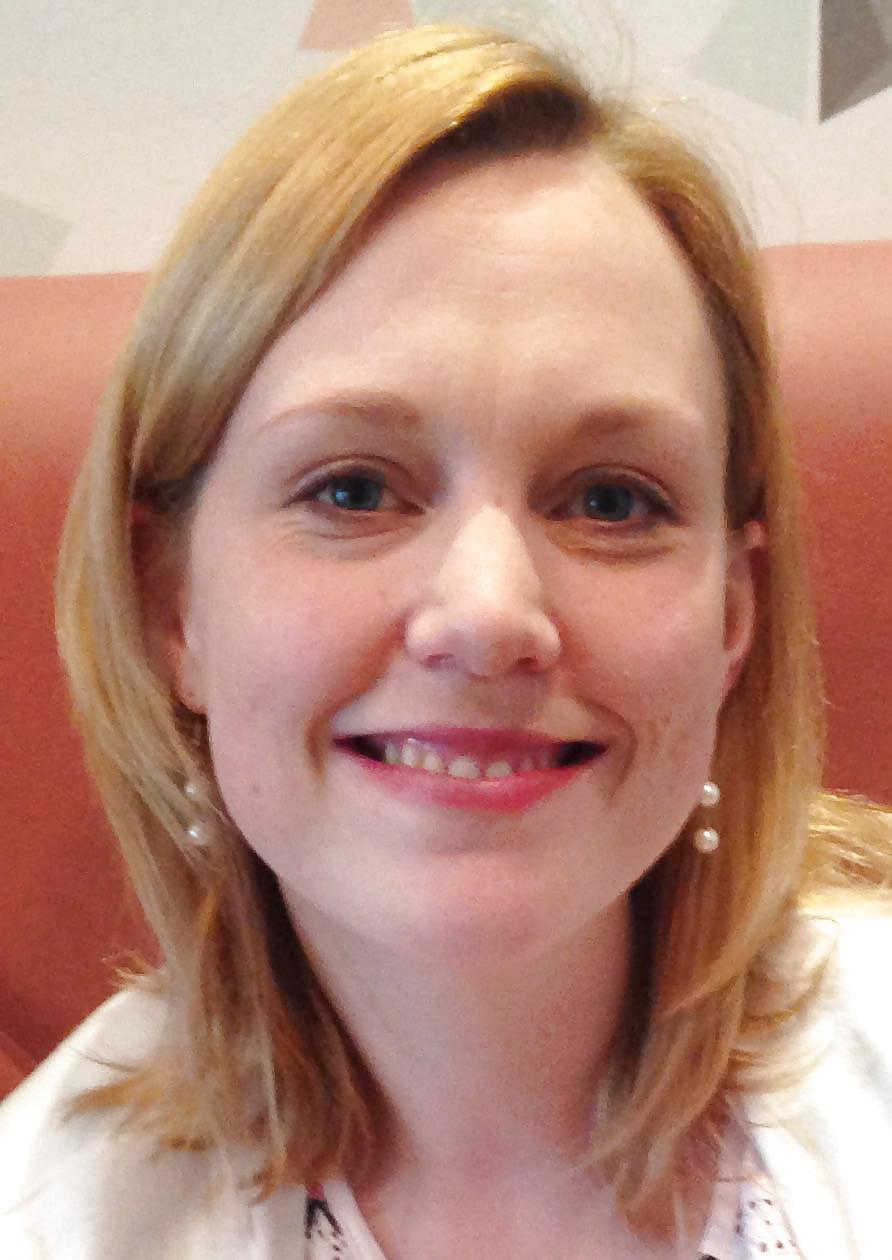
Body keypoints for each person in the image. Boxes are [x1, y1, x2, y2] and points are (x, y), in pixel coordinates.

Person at [0, 22, 890, 1260]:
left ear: (732, 617)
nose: (488, 614)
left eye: (610, 500)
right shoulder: (52, 1216)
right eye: (354, 490)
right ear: (172, 607)